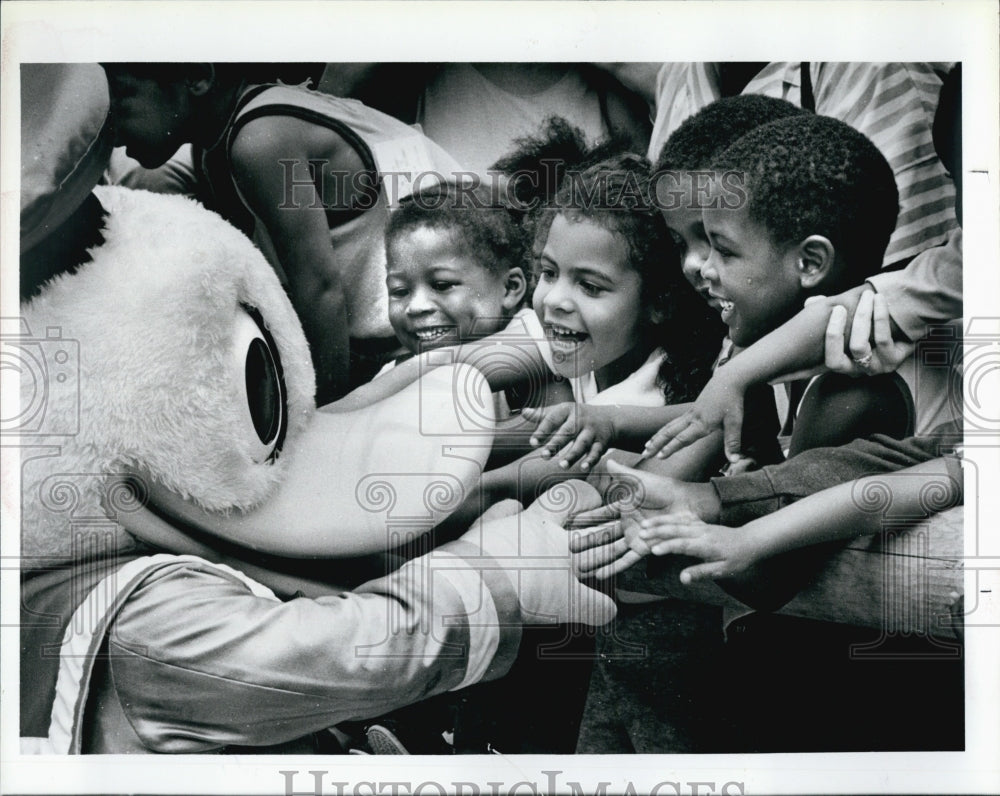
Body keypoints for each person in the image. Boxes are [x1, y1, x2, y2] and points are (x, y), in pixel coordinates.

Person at [101, 63, 465, 404]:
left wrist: (324, 412)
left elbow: (320, 289)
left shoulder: (260, 138)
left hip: (442, 336)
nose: (112, 130)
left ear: (198, 76)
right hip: (423, 322)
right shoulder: (229, 141)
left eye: (121, 96)